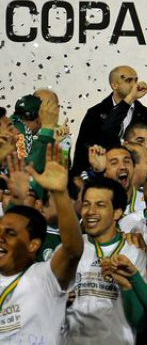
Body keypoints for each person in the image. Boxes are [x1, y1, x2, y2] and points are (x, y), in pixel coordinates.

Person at [0, 144, 83, 345]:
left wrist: (60, 193)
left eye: (10, 233)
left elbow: (72, 250)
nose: (0, 236)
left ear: (33, 245)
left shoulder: (45, 277)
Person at [63, 177, 147, 345]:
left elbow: (140, 321)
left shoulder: (133, 253)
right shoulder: (70, 249)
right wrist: (59, 300)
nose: (90, 211)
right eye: (86, 204)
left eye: (100, 205)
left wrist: (126, 286)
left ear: (117, 212)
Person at [72, 65, 147, 176]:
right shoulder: (95, 113)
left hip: (136, 178)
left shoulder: (146, 115)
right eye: (128, 80)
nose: (134, 85)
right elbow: (82, 151)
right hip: (101, 176)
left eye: (136, 80)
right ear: (114, 85)